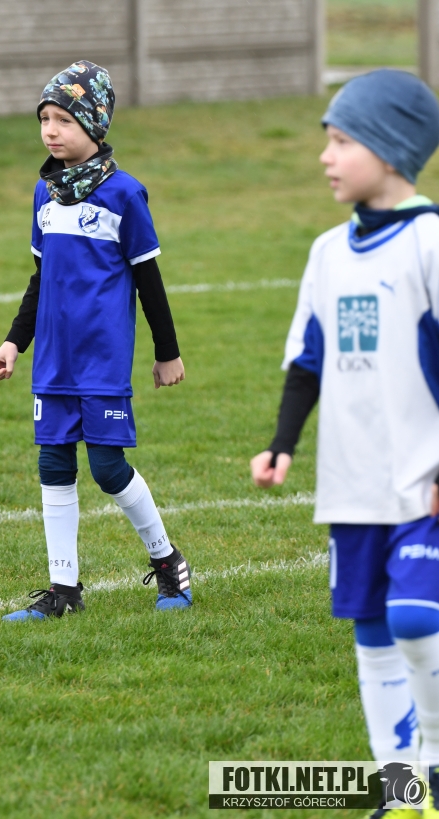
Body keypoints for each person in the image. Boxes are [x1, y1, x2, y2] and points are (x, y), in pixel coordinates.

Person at [251, 70, 439, 818]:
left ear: (388, 150)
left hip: (423, 478)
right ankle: (403, 793)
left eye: (340, 141)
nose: (325, 157)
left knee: (415, 617)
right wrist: (282, 444)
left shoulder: (429, 241)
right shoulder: (328, 251)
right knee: (372, 631)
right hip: (353, 482)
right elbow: (307, 359)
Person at [0, 60, 192, 620]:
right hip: (53, 362)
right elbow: (40, 279)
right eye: (44, 119)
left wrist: (167, 352)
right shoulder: (44, 194)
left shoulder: (124, 194)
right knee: (54, 467)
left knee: (106, 469)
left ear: (96, 125)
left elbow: (149, 280)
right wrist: (13, 343)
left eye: (64, 120)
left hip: (102, 361)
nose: (51, 131)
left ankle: (168, 561)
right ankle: (64, 592)